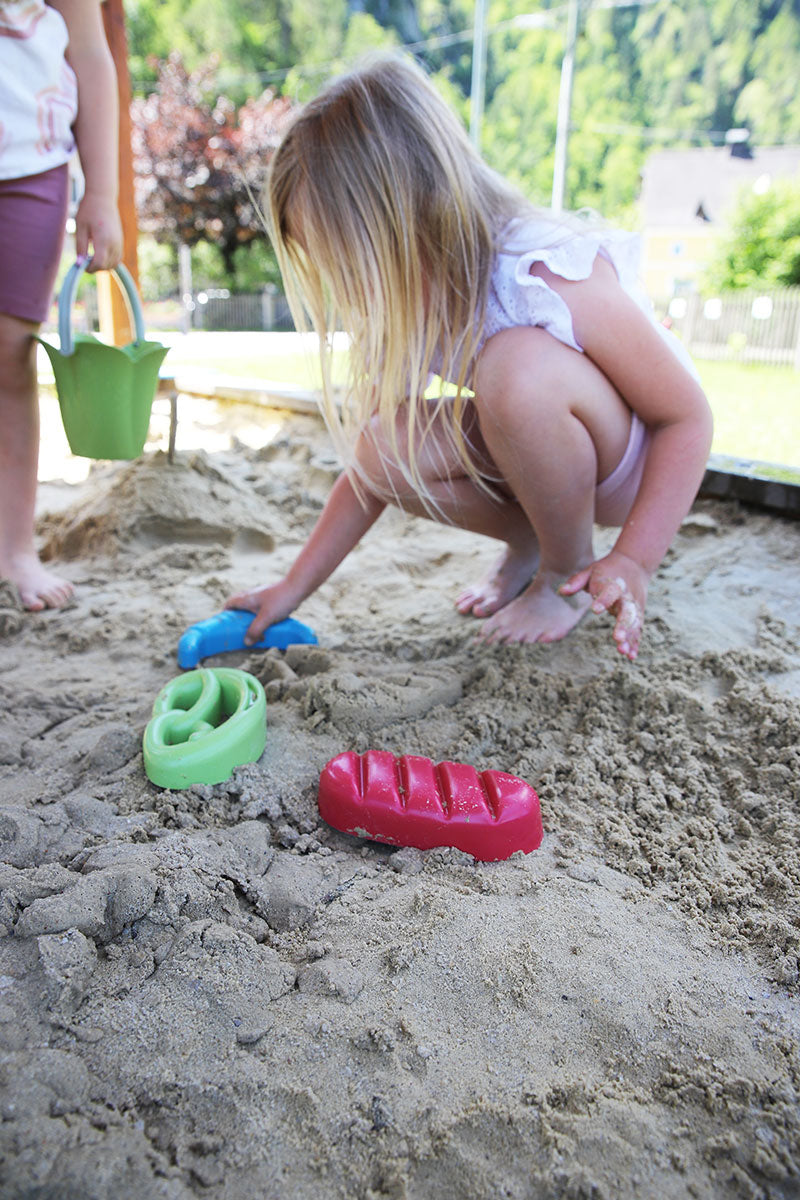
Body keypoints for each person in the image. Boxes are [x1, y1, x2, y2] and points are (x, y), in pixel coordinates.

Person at [227, 55, 713, 662]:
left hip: (628, 464)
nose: (347, 288)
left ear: (408, 217)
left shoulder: (542, 270)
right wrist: (291, 588)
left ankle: (566, 574)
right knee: (382, 448)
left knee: (516, 371)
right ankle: (536, 546)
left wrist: (635, 558)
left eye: (352, 263)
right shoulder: (405, 305)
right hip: (543, 456)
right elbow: (365, 476)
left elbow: (685, 417)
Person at [0, 0, 123, 610]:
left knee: (9, 356)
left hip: (27, 159)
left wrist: (100, 191)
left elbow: (90, 53)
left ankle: (14, 550)